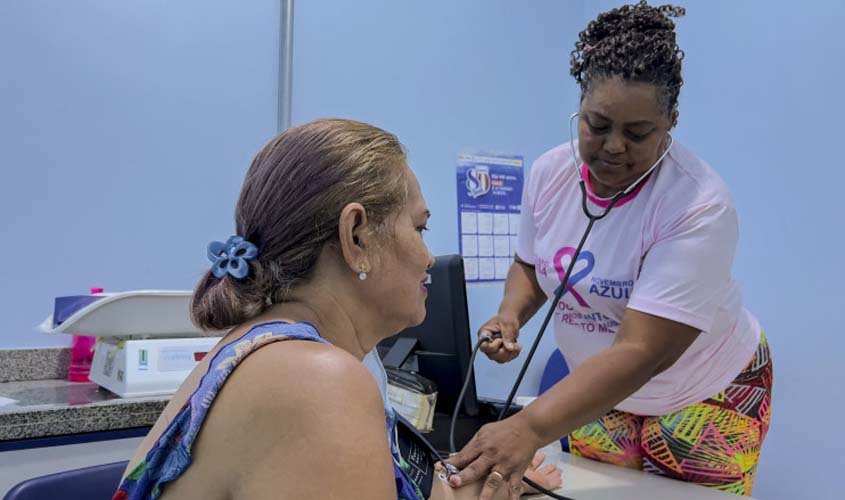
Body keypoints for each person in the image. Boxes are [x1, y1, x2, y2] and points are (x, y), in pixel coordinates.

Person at [113, 118, 560, 500]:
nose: (427, 257)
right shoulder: (316, 380)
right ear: (357, 236)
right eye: (419, 228)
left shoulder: (270, 347)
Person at [447, 2, 773, 499]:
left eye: (638, 133)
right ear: (579, 107)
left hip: (706, 393)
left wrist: (528, 428)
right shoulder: (549, 174)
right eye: (597, 126)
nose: (614, 146)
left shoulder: (699, 204)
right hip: (598, 392)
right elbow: (531, 264)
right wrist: (511, 314)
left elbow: (642, 349)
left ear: (671, 123)